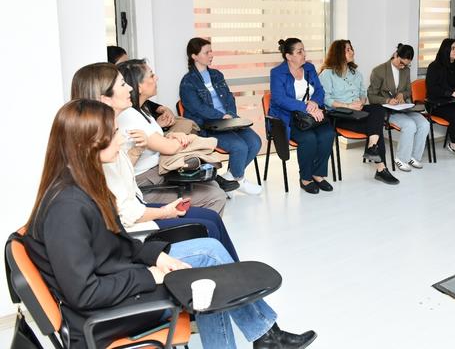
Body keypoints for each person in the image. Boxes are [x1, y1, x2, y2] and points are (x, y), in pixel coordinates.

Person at [22, 99, 316, 349]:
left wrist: (157, 257)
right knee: (206, 278)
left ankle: (265, 336)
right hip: (106, 314)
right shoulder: (67, 208)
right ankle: (266, 336)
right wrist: (150, 276)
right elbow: (85, 293)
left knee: (209, 252)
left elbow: (115, 242)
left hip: (118, 282)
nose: (121, 139)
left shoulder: (83, 184)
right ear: (87, 144)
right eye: (114, 133)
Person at [71, 62, 239, 261]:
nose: (130, 88)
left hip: (138, 206)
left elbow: (125, 182)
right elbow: (125, 213)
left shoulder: (113, 131)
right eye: (123, 84)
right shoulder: (105, 146)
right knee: (209, 223)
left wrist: (140, 149)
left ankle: (232, 270)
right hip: (134, 227)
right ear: (104, 98)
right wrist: (165, 212)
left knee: (211, 218)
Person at [117, 59, 229, 214]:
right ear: (139, 86)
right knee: (216, 196)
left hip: (156, 172)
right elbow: (169, 148)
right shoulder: (130, 115)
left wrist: (172, 135)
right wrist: (186, 138)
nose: (156, 78)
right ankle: (194, 228)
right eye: (151, 75)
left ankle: (201, 226)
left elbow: (157, 140)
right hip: (146, 182)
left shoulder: (142, 110)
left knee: (213, 186)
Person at [179, 38, 263, 195]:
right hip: (207, 125)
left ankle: (230, 177)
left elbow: (229, 97)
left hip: (227, 120)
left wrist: (230, 115)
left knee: (255, 142)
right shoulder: (187, 82)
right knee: (239, 146)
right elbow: (197, 108)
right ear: (194, 56)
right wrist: (221, 116)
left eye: (211, 51)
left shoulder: (217, 75)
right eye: (206, 52)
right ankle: (239, 180)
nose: (211, 55)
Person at [319, 39, 400, 185]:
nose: (352, 52)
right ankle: (381, 168)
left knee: (378, 108)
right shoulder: (327, 74)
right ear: (338, 53)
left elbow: (363, 93)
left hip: (358, 112)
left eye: (351, 49)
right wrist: (348, 105)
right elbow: (326, 99)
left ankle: (372, 147)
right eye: (348, 50)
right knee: (376, 128)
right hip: (339, 114)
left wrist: (361, 102)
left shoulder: (355, 73)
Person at [269, 38, 335, 194]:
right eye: (299, 52)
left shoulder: (309, 68)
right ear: (288, 56)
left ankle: (317, 174)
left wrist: (314, 102)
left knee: (328, 134)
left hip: (311, 116)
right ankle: (305, 178)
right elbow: (279, 99)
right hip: (287, 118)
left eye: (304, 50)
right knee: (309, 138)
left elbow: (319, 90)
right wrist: (306, 107)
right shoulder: (277, 73)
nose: (304, 54)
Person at [367, 43, 429, 171]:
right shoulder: (379, 71)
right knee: (410, 125)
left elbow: (408, 91)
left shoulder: (406, 70)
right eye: (401, 63)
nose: (403, 66)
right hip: (387, 111)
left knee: (424, 124)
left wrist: (402, 94)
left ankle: (414, 157)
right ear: (395, 55)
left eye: (406, 65)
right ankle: (401, 159)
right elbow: (371, 96)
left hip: (403, 108)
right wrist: (387, 100)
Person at [107, 46, 178, 130]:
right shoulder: (129, 113)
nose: (156, 78)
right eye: (151, 76)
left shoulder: (143, 106)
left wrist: (163, 111)